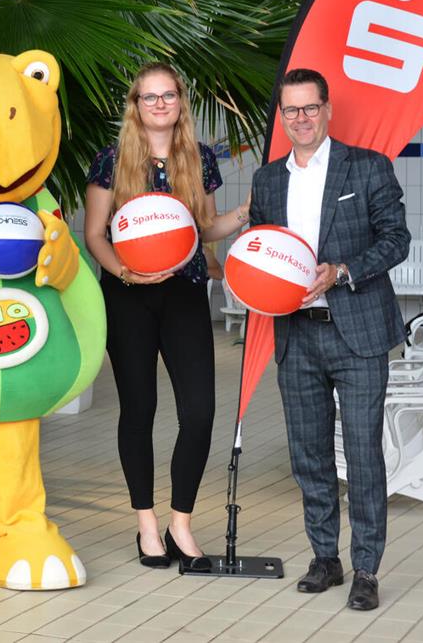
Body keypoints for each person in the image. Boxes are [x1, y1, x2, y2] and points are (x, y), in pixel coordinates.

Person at [249, 68, 409, 611]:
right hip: (296, 336)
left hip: (358, 335)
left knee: (363, 455)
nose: (301, 119)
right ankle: (325, 557)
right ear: (283, 116)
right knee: (309, 455)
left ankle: (366, 567)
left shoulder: (365, 167)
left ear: (327, 108)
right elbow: (261, 247)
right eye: (291, 111)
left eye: (310, 108)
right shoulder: (268, 180)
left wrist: (341, 270)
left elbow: (397, 239)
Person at [84, 62, 249, 572]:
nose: (159, 104)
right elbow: (95, 235)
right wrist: (127, 274)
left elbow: (203, 229)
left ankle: (181, 520)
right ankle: (147, 525)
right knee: (140, 411)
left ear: (181, 103)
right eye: (149, 97)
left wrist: (245, 212)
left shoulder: (199, 159)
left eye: (168, 95)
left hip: (184, 294)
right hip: (128, 296)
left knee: (199, 412)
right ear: (135, 105)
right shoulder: (112, 160)